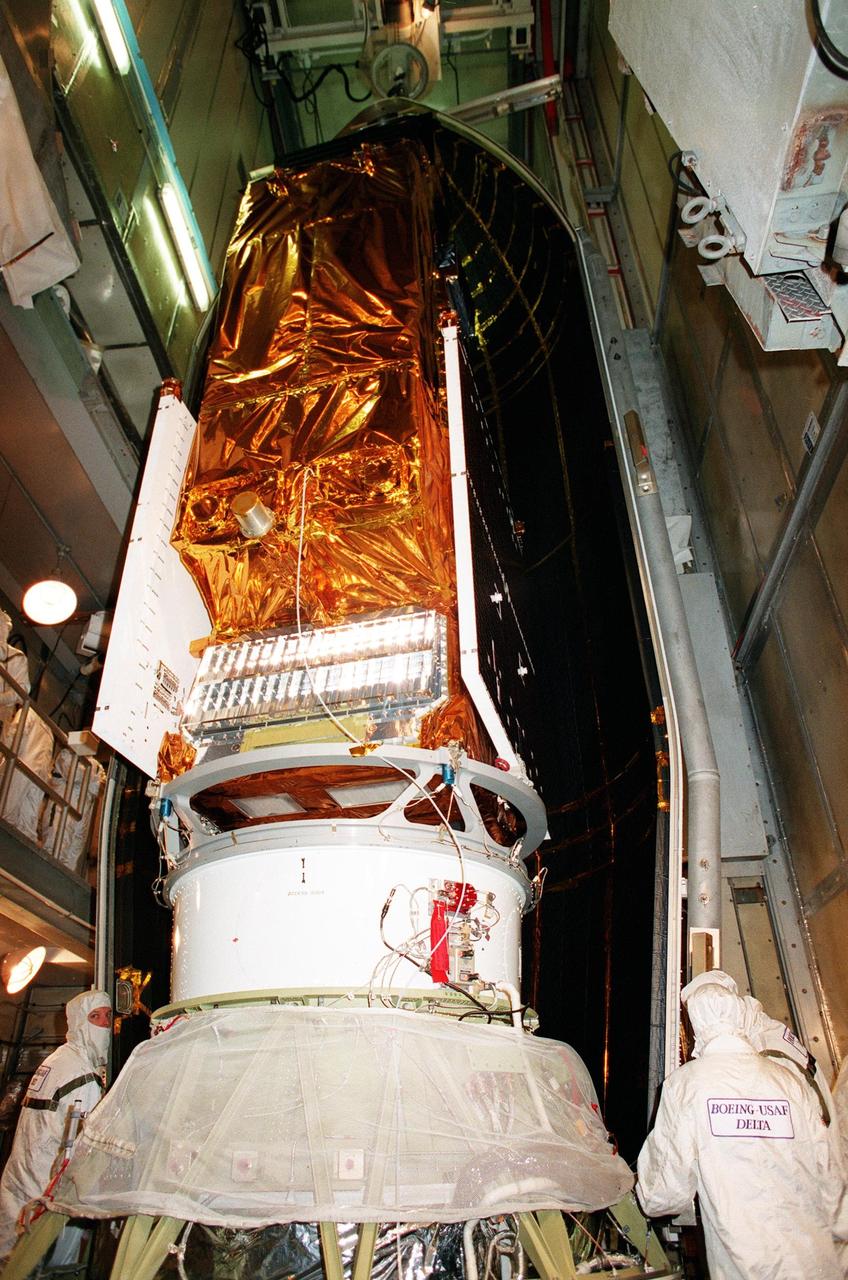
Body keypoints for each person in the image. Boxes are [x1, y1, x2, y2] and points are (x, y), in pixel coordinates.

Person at [636, 976, 848, 1279]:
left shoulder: (686, 1086)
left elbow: (662, 1195)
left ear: (695, 1021)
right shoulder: (788, 1079)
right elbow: (828, 1179)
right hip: (816, 1262)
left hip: (748, 1266)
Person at [0, 989, 111, 1266]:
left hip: (19, 1182)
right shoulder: (82, 1077)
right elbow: (81, 1150)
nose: (104, 1024)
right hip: (46, 1193)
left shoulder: (57, 1061)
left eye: (108, 1016)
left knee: (11, 1260)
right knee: (46, 1265)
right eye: (94, 1017)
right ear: (77, 1023)